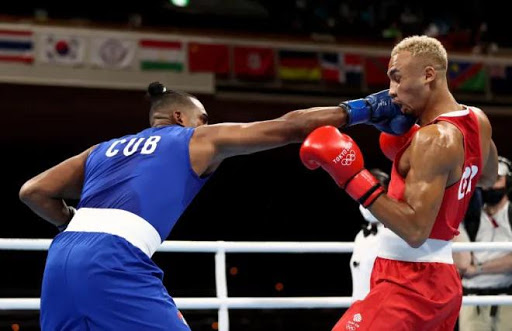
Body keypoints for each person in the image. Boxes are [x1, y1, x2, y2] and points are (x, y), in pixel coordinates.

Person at [18, 81, 415, 330]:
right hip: (113, 261)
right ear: (179, 117)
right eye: (202, 117)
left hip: (60, 262)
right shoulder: (192, 139)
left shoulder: (102, 150)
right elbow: (291, 126)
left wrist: (74, 222)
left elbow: (33, 191)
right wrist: (364, 108)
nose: (208, 123)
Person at [299, 35, 499, 330]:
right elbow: (487, 176)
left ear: (428, 75)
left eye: (397, 78)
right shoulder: (476, 120)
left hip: (411, 282)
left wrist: (353, 177)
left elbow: (415, 230)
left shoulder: (434, 138)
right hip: (436, 278)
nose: (390, 92)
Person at [453, 156, 512, 331]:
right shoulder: (469, 216)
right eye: (488, 180)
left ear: (508, 182)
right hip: (472, 302)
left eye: (498, 179)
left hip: (507, 298)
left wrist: (477, 269)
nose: (492, 185)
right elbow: (462, 264)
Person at [349, 168, 389, 301]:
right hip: (359, 309)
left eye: (372, 197)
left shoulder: (394, 237)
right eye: (363, 196)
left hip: (382, 311)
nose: (366, 202)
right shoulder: (361, 236)